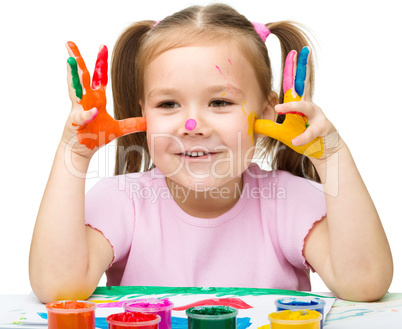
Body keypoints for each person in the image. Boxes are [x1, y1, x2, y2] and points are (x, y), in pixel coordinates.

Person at [29, 3, 393, 304]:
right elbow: (58, 289)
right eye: (168, 103)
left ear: (268, 111)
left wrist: (331, 155)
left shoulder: (288, 202)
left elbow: (364, 284)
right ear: (144, 112)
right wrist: (73, 155)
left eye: (220, 101)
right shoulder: (122, 202)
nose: (192, 125)